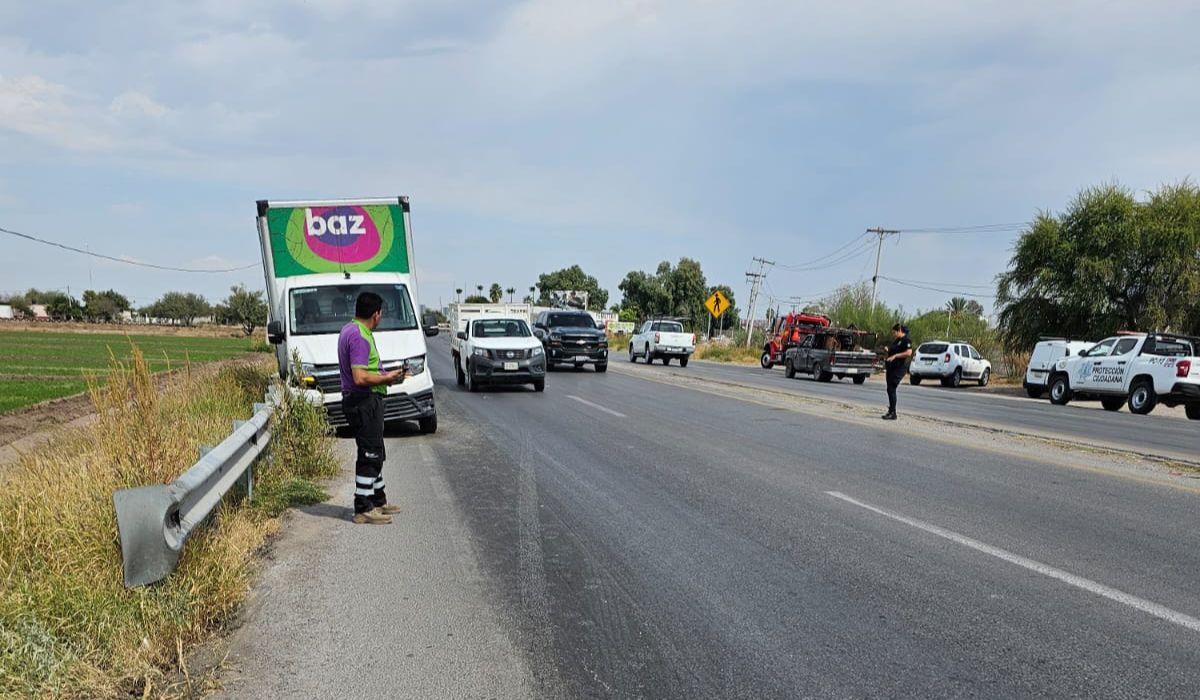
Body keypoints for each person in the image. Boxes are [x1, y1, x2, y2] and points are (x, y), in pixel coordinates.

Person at [338, 292, 407, 524]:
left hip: (362, 400)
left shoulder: (350, 329)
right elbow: (359, 377)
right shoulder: (360, 337)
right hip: (363, 400)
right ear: (376, 314)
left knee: (375, 450)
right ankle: (363, 507)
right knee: (370, 453)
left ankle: (378, 499)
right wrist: (387, 379)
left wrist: (388, 375)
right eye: (381, 314)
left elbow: (364, 371)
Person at [882, 324, 913, 420]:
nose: (894, 333)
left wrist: (895, 356)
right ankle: (891, 410)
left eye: (895, 331)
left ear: (900, 330)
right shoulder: (897, 341)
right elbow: (893, 351)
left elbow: (908, 353)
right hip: (891, 367)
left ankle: (893, 412)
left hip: (899, 368)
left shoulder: (906, 341)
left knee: (892, 388)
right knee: (889, 389)